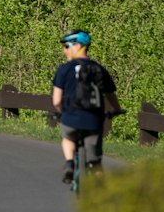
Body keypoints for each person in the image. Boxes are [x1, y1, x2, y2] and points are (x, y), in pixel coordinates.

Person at [51, 30, 120, 183]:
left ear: (78, 46)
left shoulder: (64, 69)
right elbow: (110, 95)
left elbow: (56, 101)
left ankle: (69, 163)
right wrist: (116, 109)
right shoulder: (99, 69)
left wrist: (61, 113)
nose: (64, 50)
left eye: (67, 46)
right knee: (95, 161)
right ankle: (100, 191)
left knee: (68, 138)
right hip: (93, 121)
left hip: (71, 118)